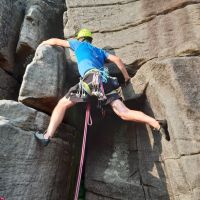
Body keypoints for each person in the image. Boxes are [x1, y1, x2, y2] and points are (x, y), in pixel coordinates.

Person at [34, 28, 170, 146]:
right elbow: (117, 60)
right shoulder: (100, 51)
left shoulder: (78, 44)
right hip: (107, 81)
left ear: (80, 38)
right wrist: (127, 77)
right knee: (124, 113)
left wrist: (42, 43)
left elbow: (56, 41)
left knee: (62, 104)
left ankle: (47, 136)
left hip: (91, 79)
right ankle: (157, 124)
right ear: (90, 39)